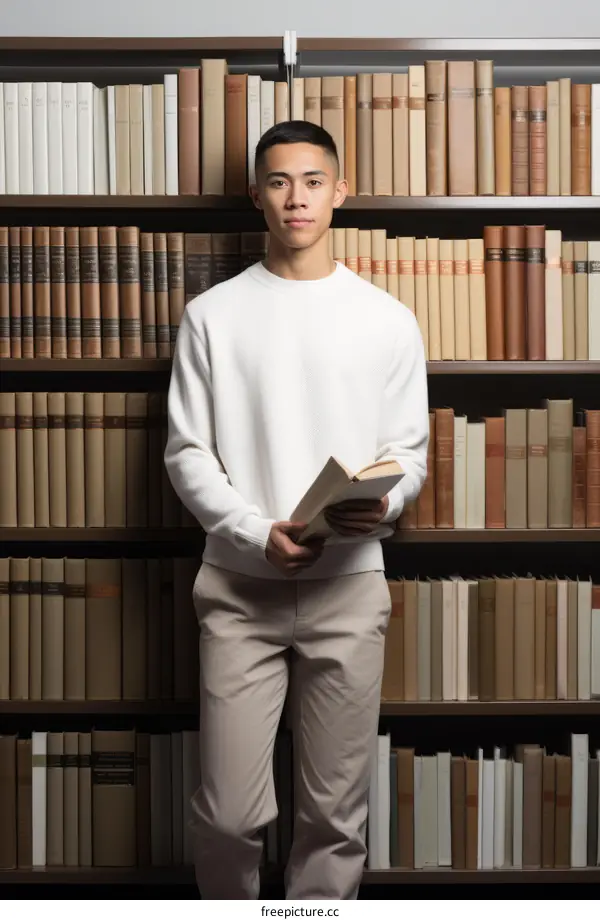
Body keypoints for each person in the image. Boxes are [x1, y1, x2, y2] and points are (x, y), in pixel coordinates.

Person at [164, 120, 429, 900]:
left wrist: (381, 507)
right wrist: (253, 531)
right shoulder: (212, 315)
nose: (297, 197)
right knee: (228, 817)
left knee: (334, 816)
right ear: (258, 196)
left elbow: (408, 453)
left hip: (349, 586)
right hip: (239, 590)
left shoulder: (387, 318)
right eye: (279, 182)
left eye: (313, 180)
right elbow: (187, 452)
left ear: (339, 191)